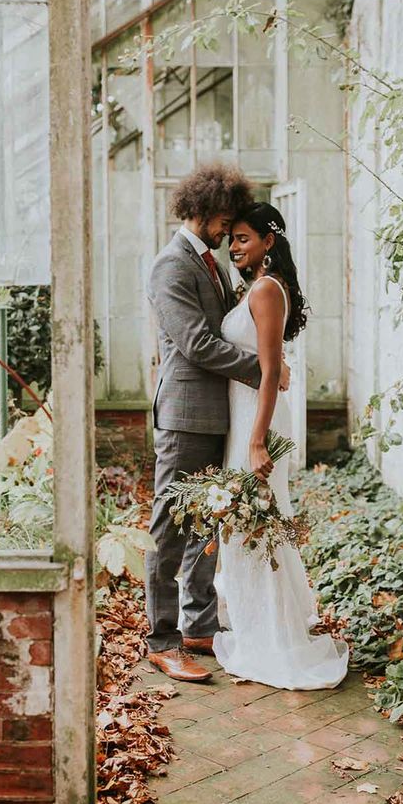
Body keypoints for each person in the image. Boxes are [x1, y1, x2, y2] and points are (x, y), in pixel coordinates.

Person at [145, 165, 290, 683]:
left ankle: (199, 625)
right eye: (224, 222)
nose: (229, 232)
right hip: (185, 417)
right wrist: (265, 371)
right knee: (169, 526)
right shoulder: (171, 266)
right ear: (200, 212)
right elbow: (196, 344)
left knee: (208, 522)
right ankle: (162, 641)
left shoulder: (208, 262)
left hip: (219, 413)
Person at [213, 202, 349, 689]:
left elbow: (270, 372)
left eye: (244, 238)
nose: (235, 246)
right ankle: (262, 629)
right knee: (250, 528)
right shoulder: (257, 287)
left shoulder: (267, 289)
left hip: (259, 419)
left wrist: (255, 441)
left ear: (269, 241)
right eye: (232, 239)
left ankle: (273, 638)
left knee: (256, 529)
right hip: (246, 415)